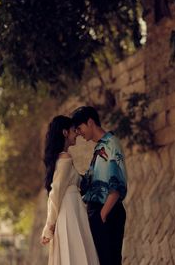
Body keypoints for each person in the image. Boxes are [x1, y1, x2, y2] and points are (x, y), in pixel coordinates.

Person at [72, 106, 127, 265]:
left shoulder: (111, 143)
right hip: (99, 214)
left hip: (108, 213)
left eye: (79, 128)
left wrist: (102, 216)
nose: (79, 133)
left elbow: (116, 186)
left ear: (90, 122)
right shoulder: (100, 147)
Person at [40, 115, 99, 265]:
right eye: (74, 130)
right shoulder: (65, 158)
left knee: (73, 253)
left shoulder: (63, 158)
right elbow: (56, 192)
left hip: (73, 209)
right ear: (65, 133)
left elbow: (77, 182)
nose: (77, 134)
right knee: (76, 252)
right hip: (69, 211)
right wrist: (49, 226)